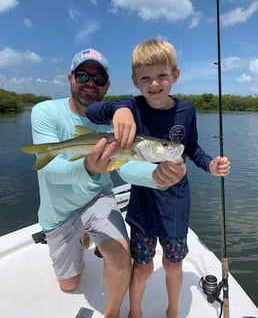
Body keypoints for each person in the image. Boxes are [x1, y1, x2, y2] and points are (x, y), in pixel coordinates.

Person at [31, 47, 187, 318]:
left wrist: (156, 177)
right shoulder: (45, 111)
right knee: (69, 285)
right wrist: (89, 165)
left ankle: (112, 314)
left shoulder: (111, 123)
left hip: (97, 198)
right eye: (83, 75)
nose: (90, 83)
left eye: (99, 79)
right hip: (58, 211)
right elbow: (51, 172)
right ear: (70, 78)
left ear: (107, 85)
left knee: (118, 256)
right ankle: (83, 235)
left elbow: (126, 169)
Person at [86, 39, 231, 318]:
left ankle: (172, 312)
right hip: (144, 201)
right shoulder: (133, 106)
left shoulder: (186, 110)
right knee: (142, 266)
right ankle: (135, 312)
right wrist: (119, 109)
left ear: (174, 75)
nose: (154, 84)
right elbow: (93, 111)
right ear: (135, 80)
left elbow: (193, 149)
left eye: (162, 75)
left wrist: (210, 165)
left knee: (174, 265)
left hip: (176, 203)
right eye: (146, 78)